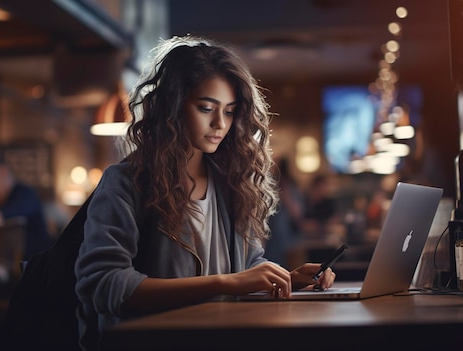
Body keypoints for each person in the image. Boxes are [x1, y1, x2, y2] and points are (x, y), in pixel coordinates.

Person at [74, 35, 336, 349]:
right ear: (172, 106)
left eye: (228, 111)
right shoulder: (126, 182)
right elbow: (103, 283)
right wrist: (226, 283)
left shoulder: (232, 181)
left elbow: (246, 267)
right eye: (206, 108)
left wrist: (286, 279)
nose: (219, 124)